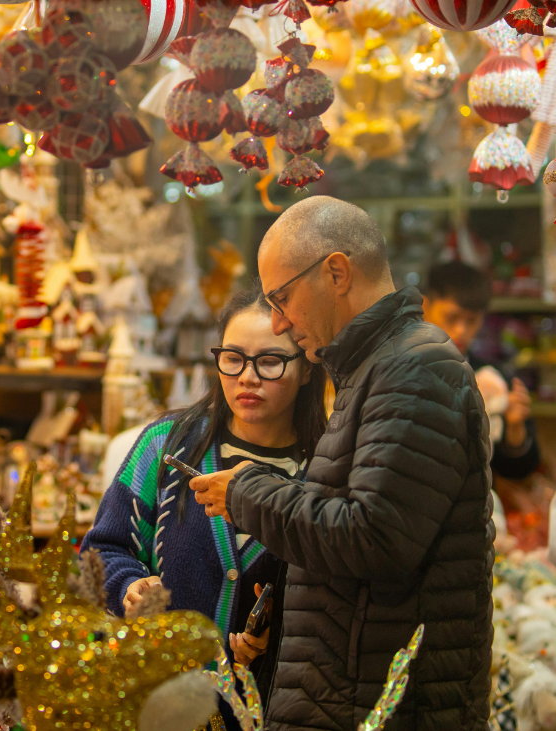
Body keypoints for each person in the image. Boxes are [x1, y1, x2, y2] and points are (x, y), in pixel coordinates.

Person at [189, 196, 494, 731]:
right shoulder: (373, 369)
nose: (280, 323)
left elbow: (374, 537)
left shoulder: (413, 370)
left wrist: (247, 491)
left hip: (379, 705)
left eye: (282, 298)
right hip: (352, 695)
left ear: (336, 272)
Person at [81, 286, 327, 731]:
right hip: (155, 704)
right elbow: (99, 550)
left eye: (270, 362)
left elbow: (332, 601)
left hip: (261, 714)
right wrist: (128, 589)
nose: (247, 377)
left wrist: (277, 636)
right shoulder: (166, 444)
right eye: (233, 358)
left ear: (307, 370)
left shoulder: (322, 473)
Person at [423, 260, 539, 479]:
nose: (461, 330)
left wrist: (515, 430)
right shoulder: (398, 368)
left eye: (472, 321)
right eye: (452, 317)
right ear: (425, 307)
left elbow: (522, 470)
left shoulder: (492, 378)